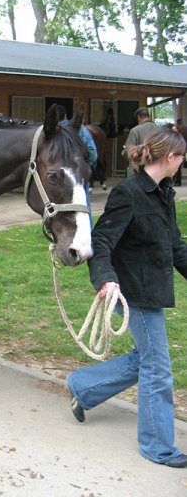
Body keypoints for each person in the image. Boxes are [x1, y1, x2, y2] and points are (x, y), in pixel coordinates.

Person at [67, 126, 187, 468]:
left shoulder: (163, 193)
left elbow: (175, 247)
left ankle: (82, 386)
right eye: (181, 157)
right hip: (132, 292)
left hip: (153, 291)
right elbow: (101, 242)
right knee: (158, 368)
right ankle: (157, 446)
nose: (182, 163)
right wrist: (105, 280)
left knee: (145, 359)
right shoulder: (128, 194)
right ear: (168, 157)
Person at [56, 105, 97, 226]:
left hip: (59, 176)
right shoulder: (80, 129)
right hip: (77, 173)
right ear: (65, 115)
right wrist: (86, 166)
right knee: (84, 204)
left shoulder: (54, 131)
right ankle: (87, 232)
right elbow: (93, 152)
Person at [122, 107, 157, 176]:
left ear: (138, 117)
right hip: (157, 169)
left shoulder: (135, 131)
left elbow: (127, 151)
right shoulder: (160, 130)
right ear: (148, 116)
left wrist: (123, 153)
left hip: (139, 170)